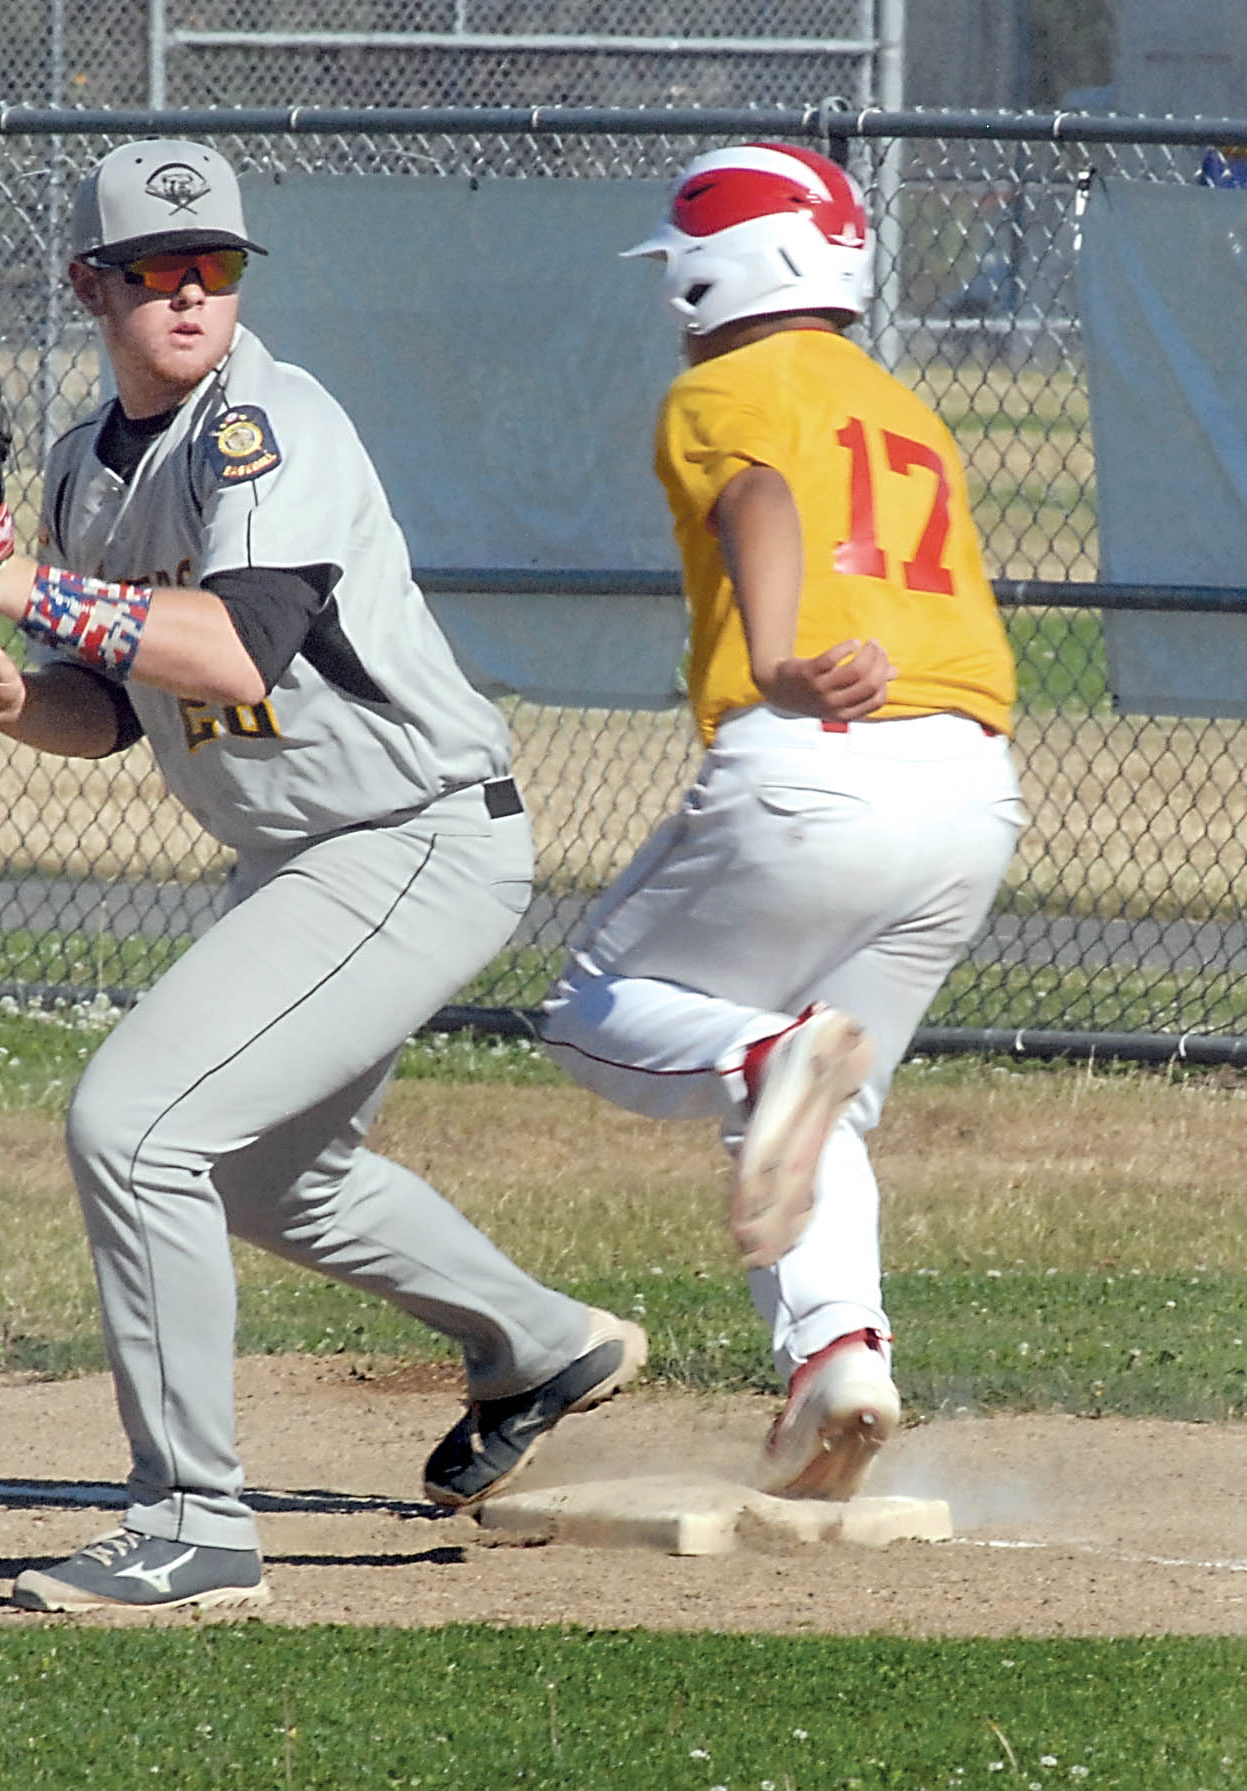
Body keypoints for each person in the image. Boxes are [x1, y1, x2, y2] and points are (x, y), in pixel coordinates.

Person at [0, 137, 646, 1613]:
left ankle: (193, 1525)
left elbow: (237, 645)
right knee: (262, 1170)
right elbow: (119, 704)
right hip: (314, 857)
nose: (191, 294)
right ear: (91, 287)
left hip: (411, 835)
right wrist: (16, 700)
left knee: (135, 1125)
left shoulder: (270, 420)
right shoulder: (82, 469)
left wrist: (1, 576)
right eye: (156, 270)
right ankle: (541, 1343)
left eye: (218, 267)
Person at [540, 143, 1023, 1500]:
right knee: (832, 1108)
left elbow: (756, 494)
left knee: (596, 1007)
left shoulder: (725, 384)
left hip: (819, 759)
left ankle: (772, 1055)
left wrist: (777, 660)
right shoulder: (905, 404)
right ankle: (839, 1364)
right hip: (973, 787)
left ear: (715, 268)